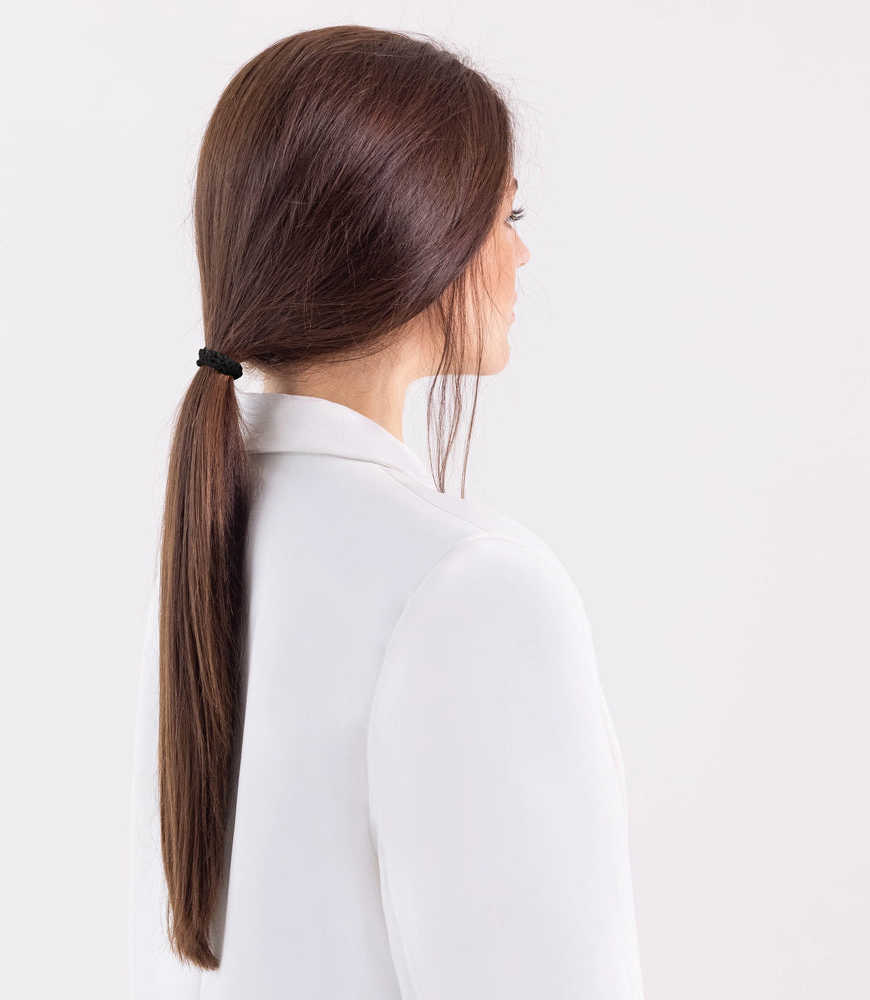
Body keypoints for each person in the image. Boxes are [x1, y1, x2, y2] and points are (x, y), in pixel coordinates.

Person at [129, 24, 645, 1000]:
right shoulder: (469, 582)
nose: (521, 254)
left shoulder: (209, 537)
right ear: (415, 233)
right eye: (505, 215)